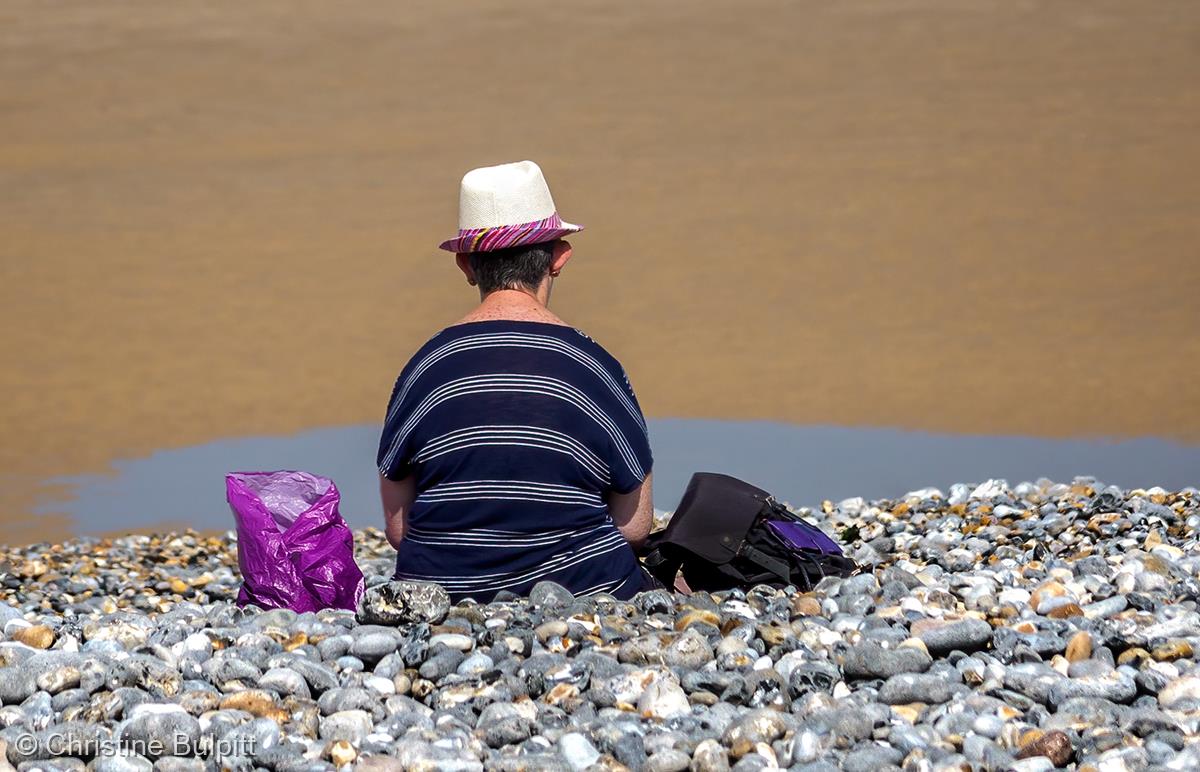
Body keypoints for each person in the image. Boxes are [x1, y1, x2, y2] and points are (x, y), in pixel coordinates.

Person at [376, 160, 655, 602]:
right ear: (559, 256)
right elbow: (635, 526)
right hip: (582, 591)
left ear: (466, 265)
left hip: (443, 597)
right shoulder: (596, 366)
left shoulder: (425, 369)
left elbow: (398, 530)